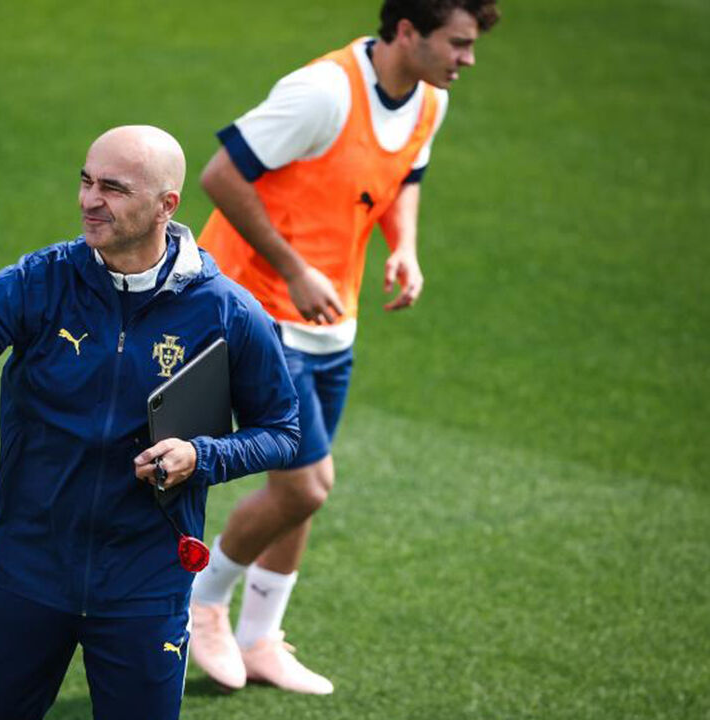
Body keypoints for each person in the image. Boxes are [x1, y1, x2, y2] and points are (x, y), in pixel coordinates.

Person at [0, 125, 300, 720]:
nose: (89, 199)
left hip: (146, 582)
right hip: (26, 571)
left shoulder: (228, 310)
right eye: (85, 180)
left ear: (167, 206)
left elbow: (283, 429)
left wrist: (201, 457)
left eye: (113, 188)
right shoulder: (40, 281)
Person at [188, 0, 501, 695]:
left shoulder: (428, 101)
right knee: (307, 483)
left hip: (333, 318)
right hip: (255, 310)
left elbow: (402, 178)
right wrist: (294, 268)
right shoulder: (323, 93)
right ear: (408, 32)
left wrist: (407, 247)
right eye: (458, 43)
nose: (468, 59)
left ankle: (261, 638)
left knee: (299, 495)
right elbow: (220, 176)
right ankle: (202, 602)